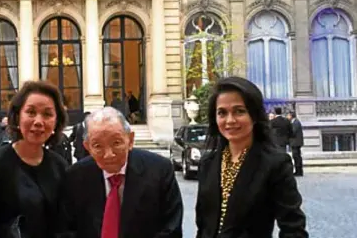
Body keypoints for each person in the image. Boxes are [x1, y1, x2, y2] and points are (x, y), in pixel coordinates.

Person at [195, 77, 308, 238]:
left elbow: (293, 228)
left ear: (254, 115)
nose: (230, 120)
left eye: (239, 111)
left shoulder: (274, 164)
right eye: (222, 113)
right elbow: (203, 225)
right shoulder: (208, 163)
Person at [0, 81, 69, 238]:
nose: (38, 122)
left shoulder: (61, 167)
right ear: (17, 118)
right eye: (31, 112)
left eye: (47, 114)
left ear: (56, 122)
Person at [57, 107, 183, 238]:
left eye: (116, 143)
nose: (109, 155)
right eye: (98, 146)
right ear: (87, 147)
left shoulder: (159, 170)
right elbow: (66, 230)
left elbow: (171, 229)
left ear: (130, 140)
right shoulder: (75, 176)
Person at [287, 111, 304, 176]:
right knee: (296, 157)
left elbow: (293, 132)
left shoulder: (296, 123)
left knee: (296, 157)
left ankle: (299, 171)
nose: (287, 117)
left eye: (288, 115)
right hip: (295, 142)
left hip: (296, 143)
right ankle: (298, 170)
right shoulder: (294, 122)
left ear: (291, 116)